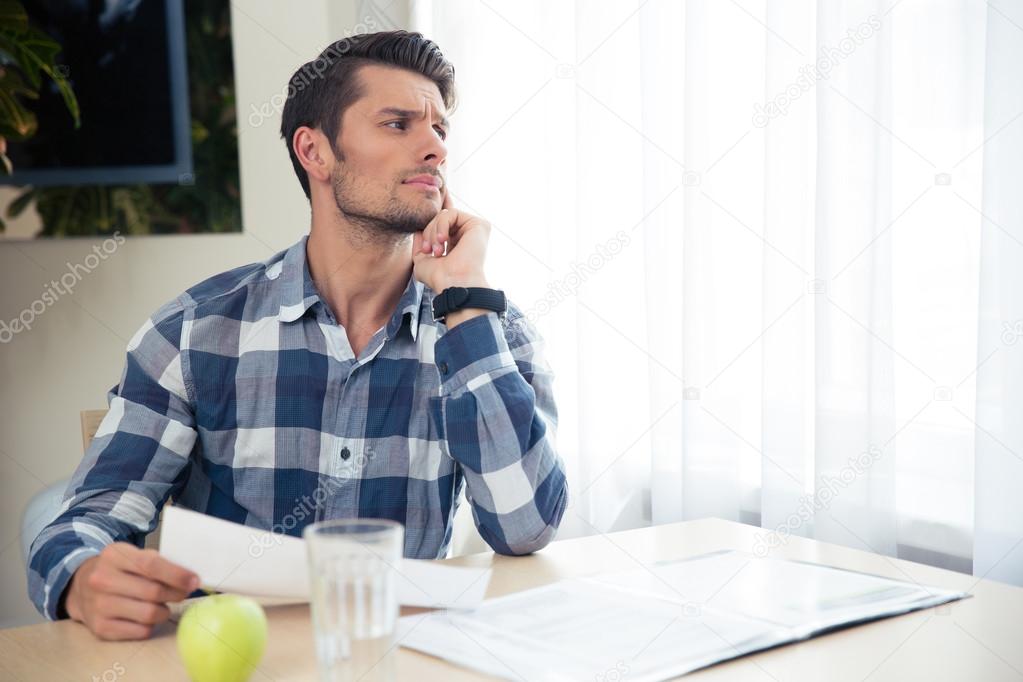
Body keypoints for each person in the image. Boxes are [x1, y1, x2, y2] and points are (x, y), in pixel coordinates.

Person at [26, 30, 568, 641]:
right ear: (315, 152)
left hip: (399, 662)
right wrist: (81, 577)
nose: (435, 150)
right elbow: (89, 520)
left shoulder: (488, 332)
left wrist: (465, 302)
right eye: (398, 124)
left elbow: (525, 527)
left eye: (440, 129)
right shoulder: (196, 332)